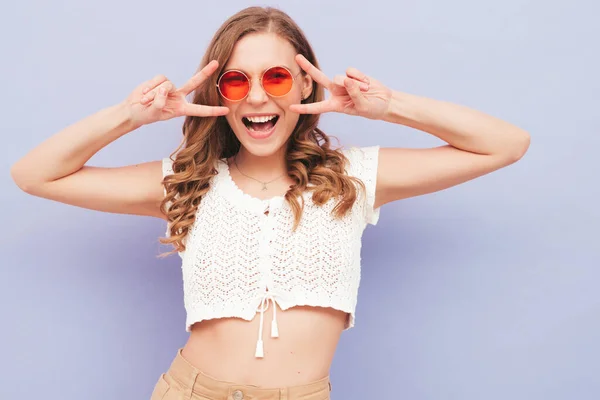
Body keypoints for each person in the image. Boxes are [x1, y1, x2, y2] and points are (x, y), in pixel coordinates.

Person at [10, 6, 530, 400]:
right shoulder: (183, 183)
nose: (257, 97)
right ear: (220, 96)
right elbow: (33, 175)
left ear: (305, 83)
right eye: (237, 81)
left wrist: (389, 106)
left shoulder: (353, 178)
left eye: (276, 77)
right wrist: (130, 115)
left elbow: (506, 143)